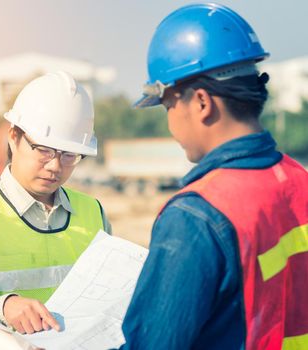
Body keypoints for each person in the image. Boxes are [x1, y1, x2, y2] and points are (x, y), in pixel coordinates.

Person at [120, 3, 308, 350]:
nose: (170, 121)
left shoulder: (196, 216)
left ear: (202, 102)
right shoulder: (300, 181)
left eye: (167, 105)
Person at [0, 71, 112, 349]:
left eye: (69, 155)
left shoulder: (93, 213)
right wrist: (3, 309)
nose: (55, 166)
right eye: (44, 150)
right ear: (14, 137)